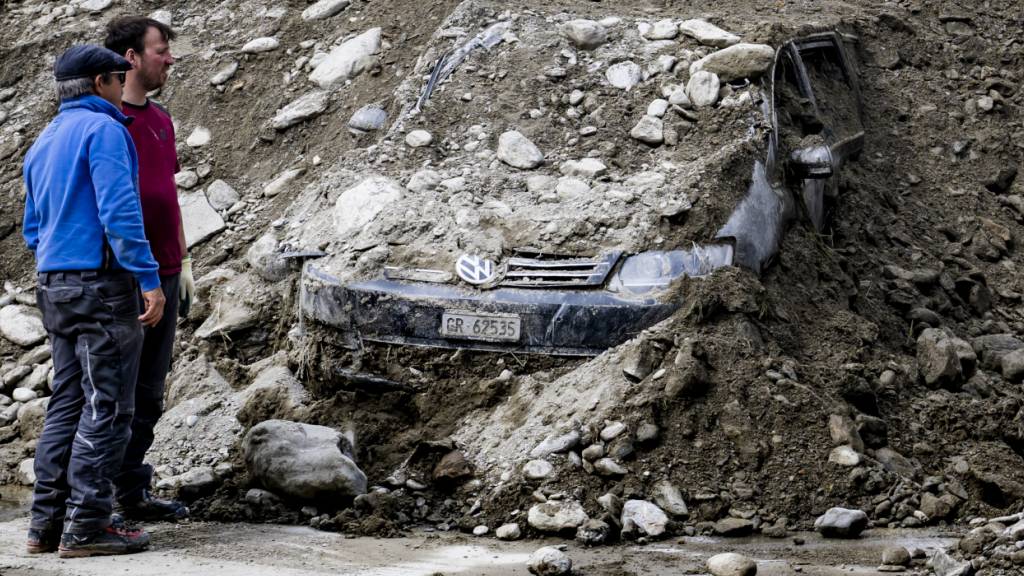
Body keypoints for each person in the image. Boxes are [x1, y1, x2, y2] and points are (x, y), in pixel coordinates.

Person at [22, 44, 165, 557]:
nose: (123, 87)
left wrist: (61, 264)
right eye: (119, 78)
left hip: (55, 283)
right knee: (108, 406)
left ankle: (46, 526)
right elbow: (120, 212)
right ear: (103, 81)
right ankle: (88, 528)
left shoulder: (46, 138)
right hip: (101, 286)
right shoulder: (104, 130)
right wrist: (148, 279)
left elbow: (32, 228)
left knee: (67, 401)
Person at [104, 16, 192, 522]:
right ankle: (97, 499)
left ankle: (130, 490)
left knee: (150, 392)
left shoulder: (159, 120)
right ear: (131, 58)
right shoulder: (110, 125)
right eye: (161, 50)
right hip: (126, 277)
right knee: (117, 392)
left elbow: (168, 197)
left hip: (164, 272)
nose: (170, 58)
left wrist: (182, 262)